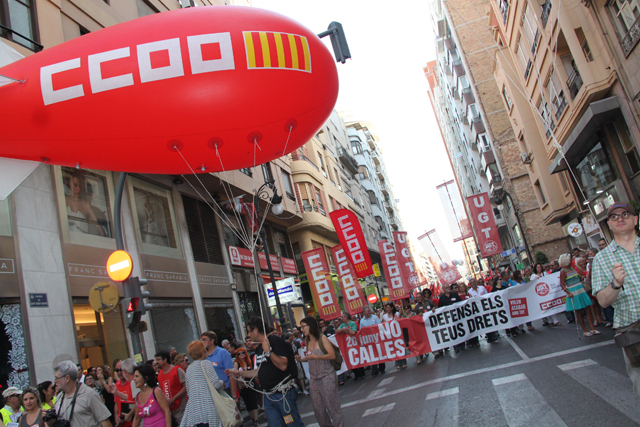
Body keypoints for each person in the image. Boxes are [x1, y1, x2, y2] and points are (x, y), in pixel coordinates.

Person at [592, 202, 640, 397]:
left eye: (626, 214)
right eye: (614, 216)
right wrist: (616, 284)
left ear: (635, 220)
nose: (620, 218)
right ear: (609, 225)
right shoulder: (601, 259)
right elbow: (603, 301)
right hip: (634, 331)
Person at [226, 317, 303, 427]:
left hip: (283, 394)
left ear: (256, 330)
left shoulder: (274, 341)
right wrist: (240, 373)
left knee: (292, 424)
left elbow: (283, 365)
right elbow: (260, 371)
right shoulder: (258, 348)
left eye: (249, 331)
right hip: (268, 396)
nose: (248, 334)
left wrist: (269, 351)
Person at [295, 317, 344, 427]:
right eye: (300, 327)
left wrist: (316, 357)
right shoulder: (307, 340)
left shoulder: (322, 339)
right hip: (314, 379)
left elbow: (331, 355)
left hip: (327, 376)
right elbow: (310, 357)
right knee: (319, 410)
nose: (301, 330)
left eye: (303, 327)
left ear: (310, 326)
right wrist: (301, 359)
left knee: (332, 406)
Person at [53, 360, 112, 427]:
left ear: (67, 378)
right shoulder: (59, 397)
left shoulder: (89, 394)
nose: (55, 381)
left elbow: (105, 422)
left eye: (57, 378)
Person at [180, 340, 225, 427]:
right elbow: (216, 384)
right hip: (209, 408)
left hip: (194, 411)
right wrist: (222, 383)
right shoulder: (206, 364)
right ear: (202, 352)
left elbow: (188, 390)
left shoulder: (189, 369)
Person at [559, 253, 600, 337]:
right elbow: (562, 284)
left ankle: (592, 328)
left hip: (580, 289)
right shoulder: (563, 271)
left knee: (588, 309)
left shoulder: (573, 268)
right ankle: (585, 330)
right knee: (579, 312)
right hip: (573, 291)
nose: (571, 261)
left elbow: (579, 277)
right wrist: (568, 292)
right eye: (570, 259)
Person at [202, 331, 237, 399]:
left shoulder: (223, 353)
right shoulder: (203, 355)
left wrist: (234, 395)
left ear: (212, 341)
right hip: (211, 392)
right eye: (201, 340)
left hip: (224, 390)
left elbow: (231, 373)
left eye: (204, 340)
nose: (202, 342)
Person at [155, 350, 187, 424]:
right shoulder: (159, 375)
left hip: (180, 408)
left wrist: (173, 398)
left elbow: (186, 387)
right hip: (168, 411)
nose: (157, 362)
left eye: (158, 359)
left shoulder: (177, 370)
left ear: (165, 360)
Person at [233, 346, 260, 427]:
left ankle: (256, 420)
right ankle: (252, 419)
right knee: (248, 403)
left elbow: (254, 371)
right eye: (239, 353)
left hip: (251, 383)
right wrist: (239, 382)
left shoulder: (249, 361)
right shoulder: (236, 363)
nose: (241, 355)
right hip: (243, 385)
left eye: (243, 352)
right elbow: (235, 374)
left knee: (254, 401)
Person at [108, 358, 136, 427]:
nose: (119, 373)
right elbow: (116, 404)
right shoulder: (117, 384)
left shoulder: (133, 382)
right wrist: (116, 418)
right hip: (122, 423)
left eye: (121, 370)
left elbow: (134, 401)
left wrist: (128, 416)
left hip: (133, 421)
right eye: (117, 370)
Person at [438, 284, 465, 353]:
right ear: (443, 289)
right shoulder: (442, 298)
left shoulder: (455, 295)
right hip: (449, 319)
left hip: (457, 316)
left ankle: (462, 345)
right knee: (452, 332)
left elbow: (461, 302)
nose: (448, 288)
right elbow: (439, 307)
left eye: (449, 287)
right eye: (446, 287)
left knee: (460, 330)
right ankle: (456, 347)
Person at [336, 313, 364, 380]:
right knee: (350, 359)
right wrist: (343, 329)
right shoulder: (342, 325)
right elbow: (337, 331)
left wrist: (347, 331)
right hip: (347, 345)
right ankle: (356, 374)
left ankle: (362, 373)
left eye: (343, 317)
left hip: (355, 343)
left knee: (358, 357)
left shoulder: (353, 323)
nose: (342, 319)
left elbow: (353, 332)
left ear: (346, 318)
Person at [360, 306, 387, 372]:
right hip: (369, 340)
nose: (369, 312)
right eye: (368, 311)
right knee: (372, 355)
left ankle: (382, 368)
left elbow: (379, 326)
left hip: (377, 338)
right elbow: (361, 331)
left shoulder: (375, 317)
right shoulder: (362, 321)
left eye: (369, 310)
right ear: (364, 313)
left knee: (379, 352)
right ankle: (374, 369)